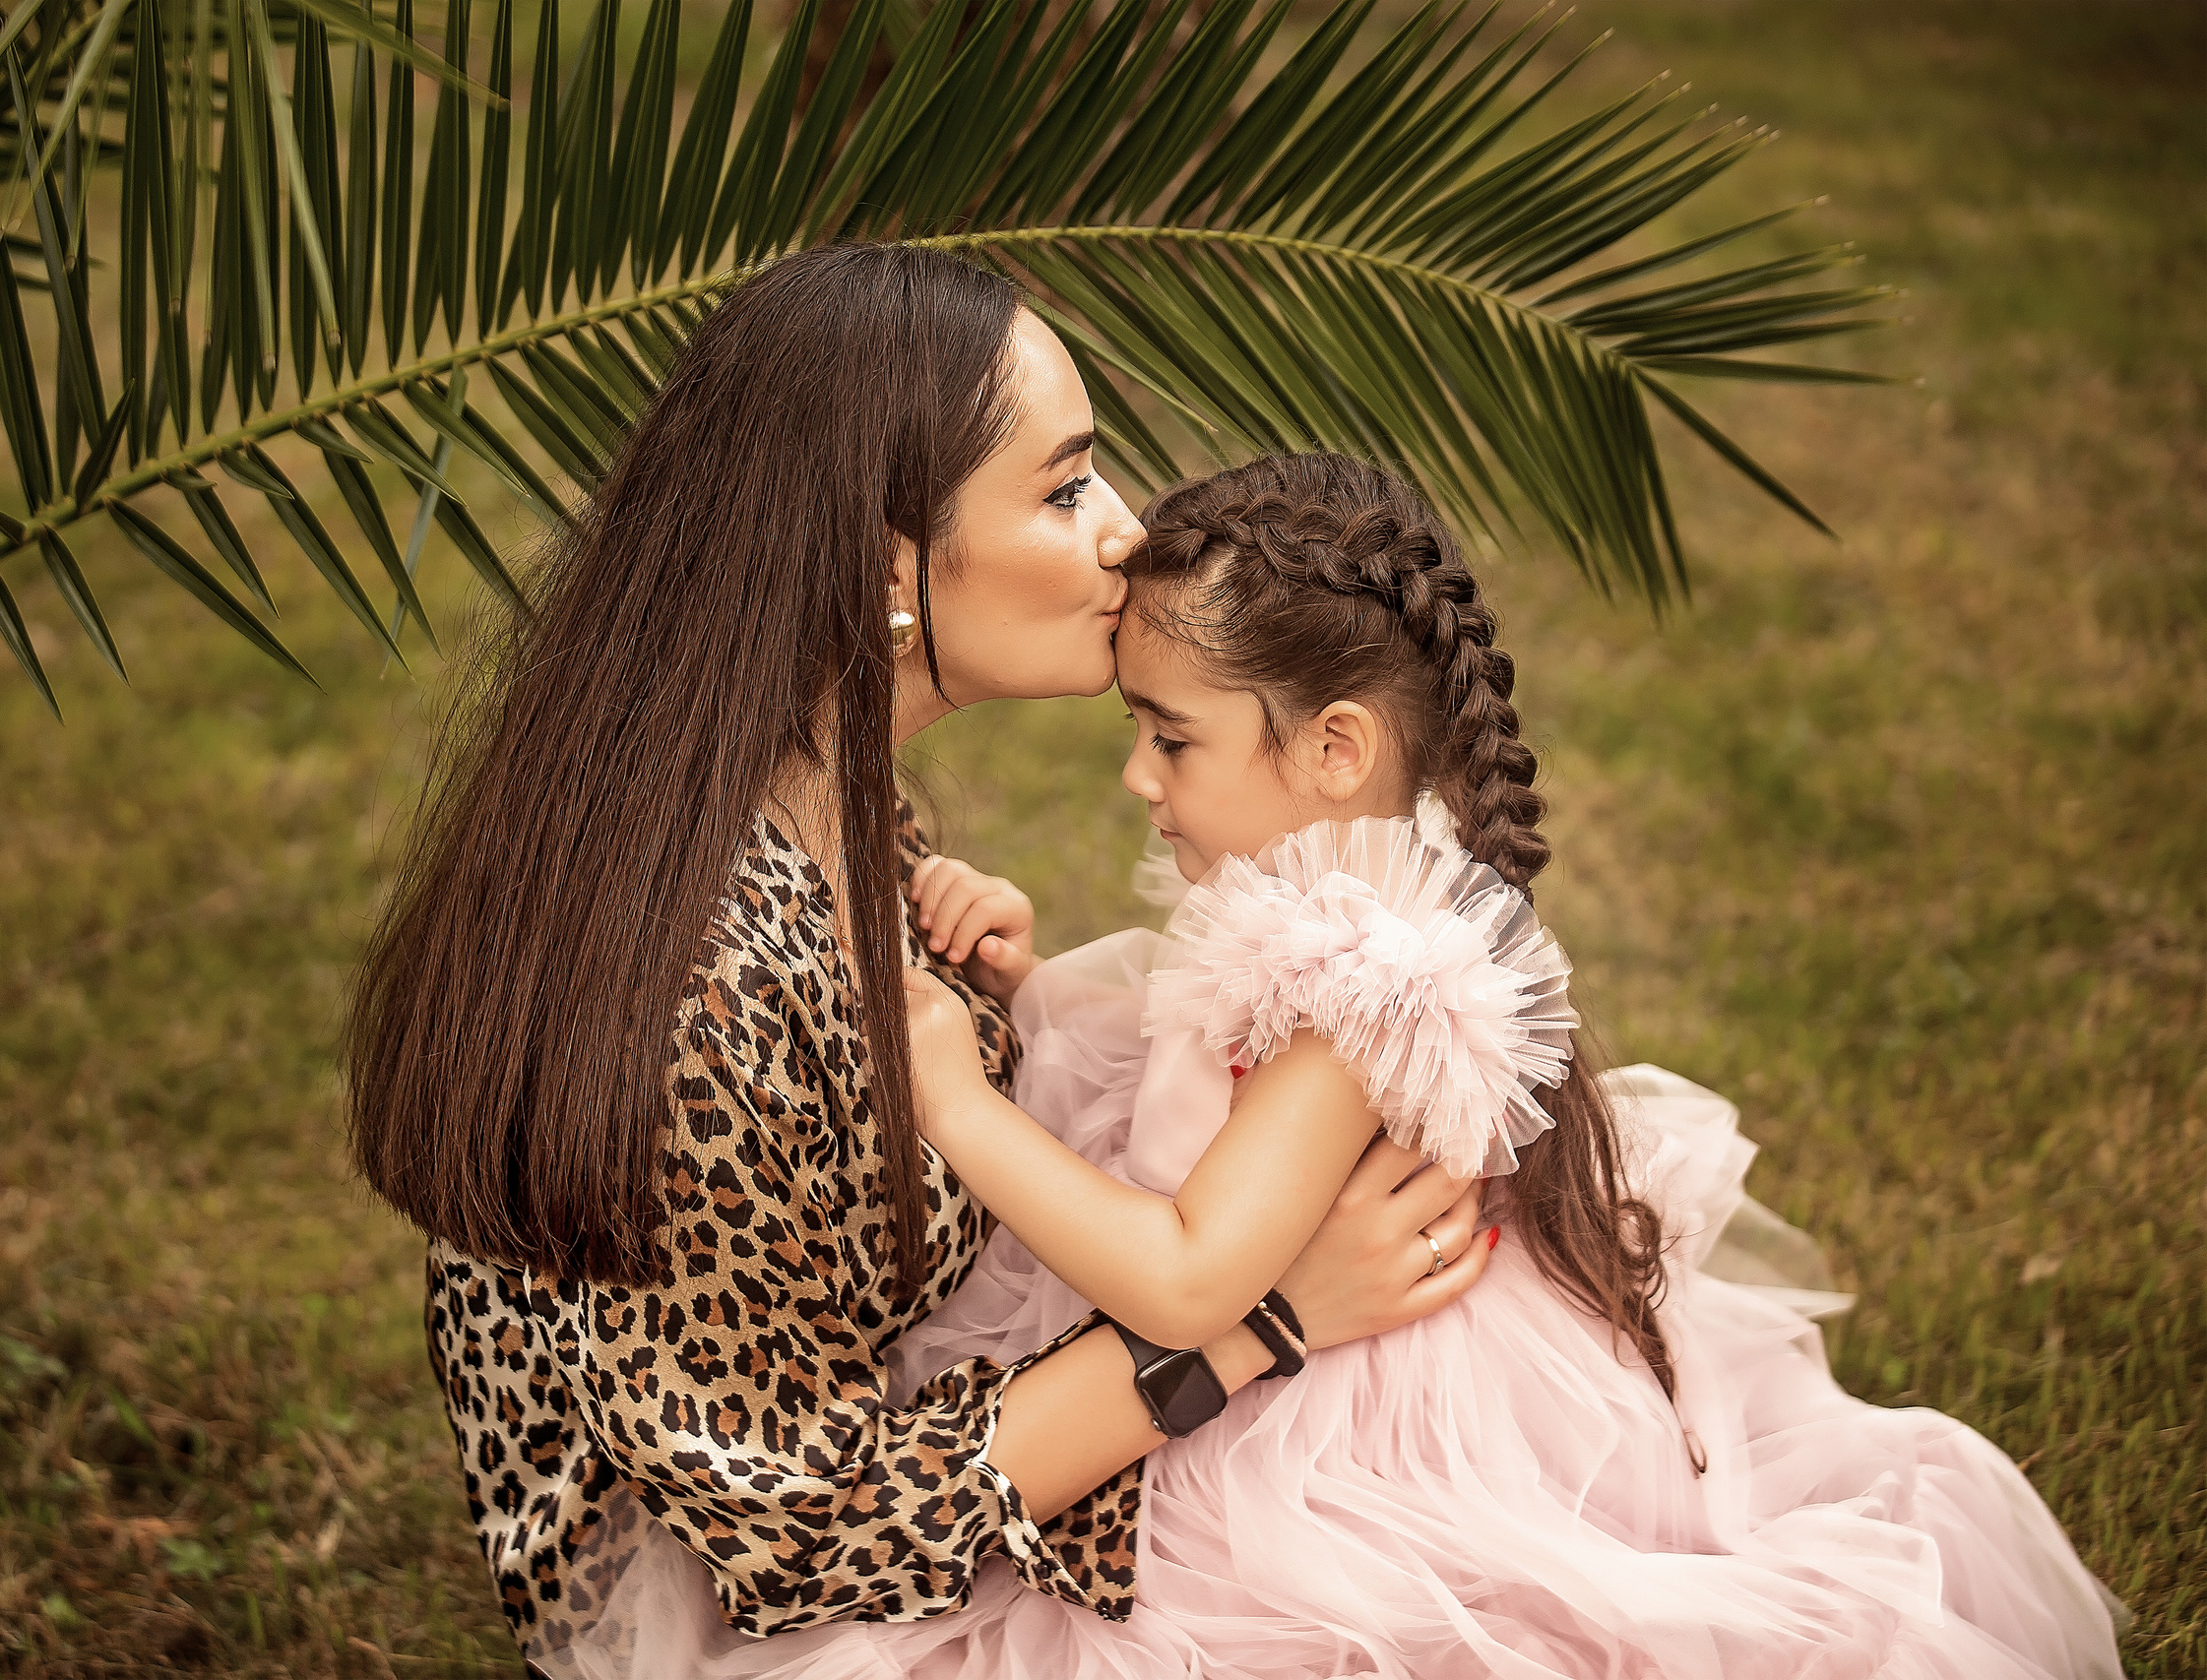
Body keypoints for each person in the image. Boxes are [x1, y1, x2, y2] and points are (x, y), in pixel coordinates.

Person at [340, 250, 1495, 1680]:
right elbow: (798, 1534)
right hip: (760, 1601)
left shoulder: (809, 791)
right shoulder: (690, 989)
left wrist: (1004, 1002)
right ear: (891, 567)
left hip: (928, 1448)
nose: (1128, 534)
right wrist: (1263, 1321)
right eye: (1067, 489)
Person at [858, 453, 2124, 1677]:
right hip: (1285, 1331)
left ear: (1334, 750)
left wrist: (961, 1105)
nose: (1137, 774)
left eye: (1170, 738)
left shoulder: (1357, 972)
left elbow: (1191, 1281)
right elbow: (1183, 1084)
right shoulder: (1327, 889)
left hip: (1320, 1445)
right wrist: (1027, 986)